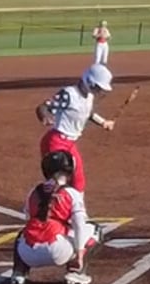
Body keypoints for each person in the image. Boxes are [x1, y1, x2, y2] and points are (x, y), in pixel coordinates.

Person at [11, 150, 101, 284]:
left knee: (22, 234)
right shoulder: (71, 193)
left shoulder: (33, 192)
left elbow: (29, 219)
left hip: (28, 253)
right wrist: (79, 253)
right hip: (57, 251)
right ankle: (76, 271)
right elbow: (79, 225)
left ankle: (19, 273)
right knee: (94, 229)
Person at [36, 64, 116, 197]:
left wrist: (103, 122)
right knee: (58, 181)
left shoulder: (89, 97)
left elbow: (88, 113)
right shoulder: (69, 94)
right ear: (89, 81)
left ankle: (77, 208)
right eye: (98, 87)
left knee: (78, 181)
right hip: (56, 142)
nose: (98, 91)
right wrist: (45, 117)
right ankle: (46, 205)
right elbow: (43, 107)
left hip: (70, 144)